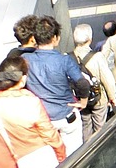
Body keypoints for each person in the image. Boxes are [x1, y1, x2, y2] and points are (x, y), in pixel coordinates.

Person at [22, 16, 90, 155]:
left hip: (43, 119)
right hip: (66, 114)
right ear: (55, 38)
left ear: (34, 38)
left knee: (51, 155)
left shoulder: (25, 60)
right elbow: (82, 83)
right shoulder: (64, 60)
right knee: (74, 154)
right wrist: (83, 102)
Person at [72, 23, 115, 140]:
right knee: (100, 126)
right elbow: (107, 79)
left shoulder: (68, 57)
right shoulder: (97, 57)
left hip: (80, 99)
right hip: (98, 98)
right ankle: (99, 148)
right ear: (90, 39)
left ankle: (87, 148)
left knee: (85, 125)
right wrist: (112, 97)